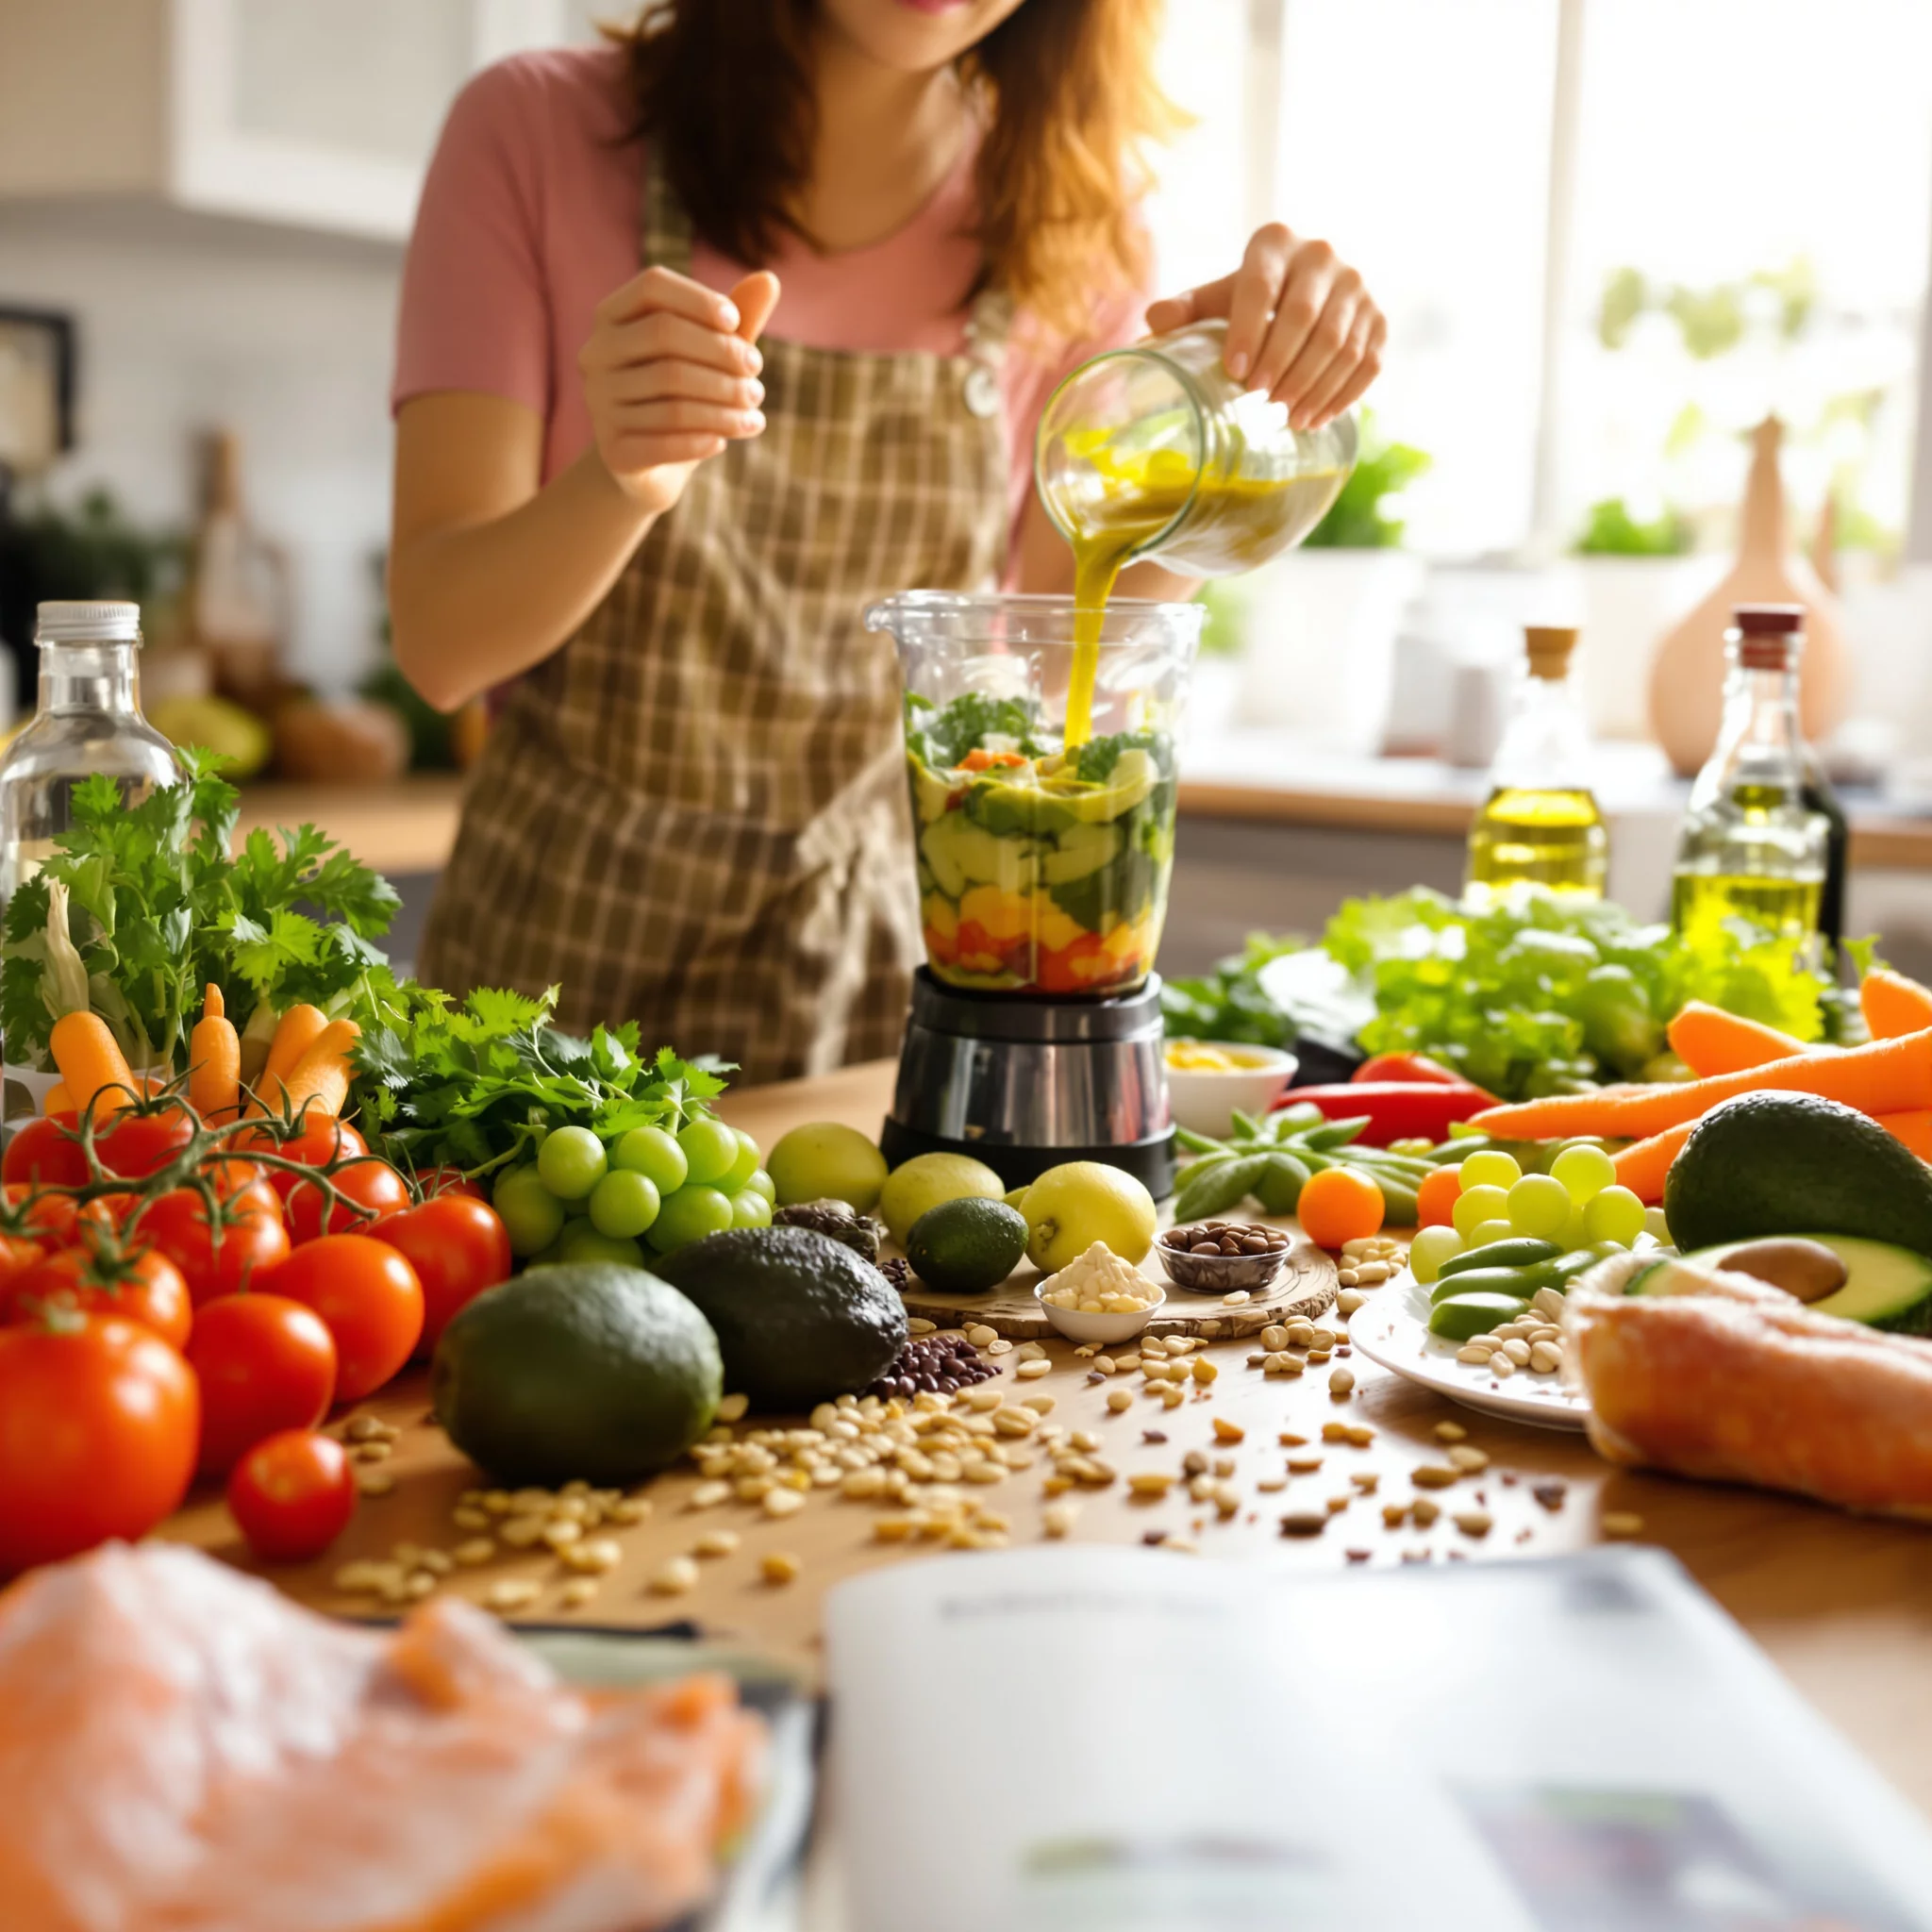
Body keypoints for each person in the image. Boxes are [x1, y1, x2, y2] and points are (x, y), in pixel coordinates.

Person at [389, 0, 1385, 1082]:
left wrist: (1243, 406)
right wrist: (621, 478)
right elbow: (442, 646)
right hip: (548, 982)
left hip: (870, 992)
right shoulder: (535, 132)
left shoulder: (1076, 230)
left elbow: (1065, 674)